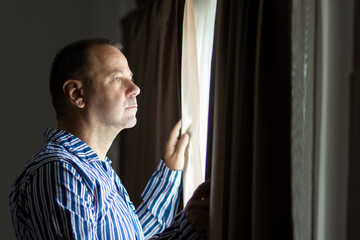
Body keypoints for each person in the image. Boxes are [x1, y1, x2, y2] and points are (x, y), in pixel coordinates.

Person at [9, 38, 209, 239]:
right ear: (76, 93)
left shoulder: (91, 170)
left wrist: (170, 178)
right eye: (117, 79)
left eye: (130, 78)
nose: (135, 88)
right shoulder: (59, 171)